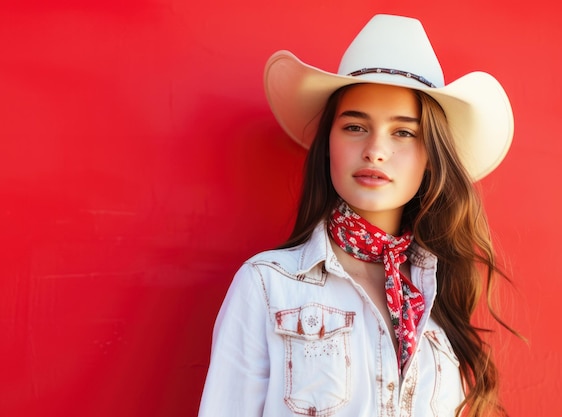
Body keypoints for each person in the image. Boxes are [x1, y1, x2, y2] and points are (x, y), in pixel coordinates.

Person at [199, 14, 518, 417]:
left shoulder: (435, 296)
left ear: (431, 157)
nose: (375, 150)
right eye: (354, 127)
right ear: (328, 142)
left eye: (403, 132)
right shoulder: (267, 286)